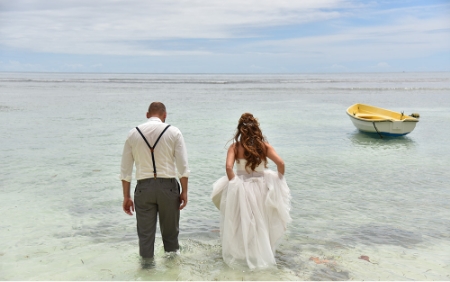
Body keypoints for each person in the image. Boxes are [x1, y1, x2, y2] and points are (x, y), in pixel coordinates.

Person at [211, 113, 291, 269]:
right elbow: (281, 163)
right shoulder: (264, 146)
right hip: (261, 186)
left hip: (242, 187)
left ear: (240, 129)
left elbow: (228, 167)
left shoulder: (235, 147)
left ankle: (242, 253)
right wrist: (278, 179)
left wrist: (234, 183)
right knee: (261, 220)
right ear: (256, 128)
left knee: (241, 221)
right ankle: (260, 252)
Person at [120, 102, 189, 260]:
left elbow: (125, 170)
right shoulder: (174, 132)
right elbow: (183, 167)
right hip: (168, 187)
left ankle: (146, 272)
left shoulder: (133, 134)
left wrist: (126, 196)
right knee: (171, 237)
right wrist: (184, 191)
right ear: (165, 115)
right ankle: (172, 272)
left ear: (147, 115)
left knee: (145, 238)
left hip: (143, 188)